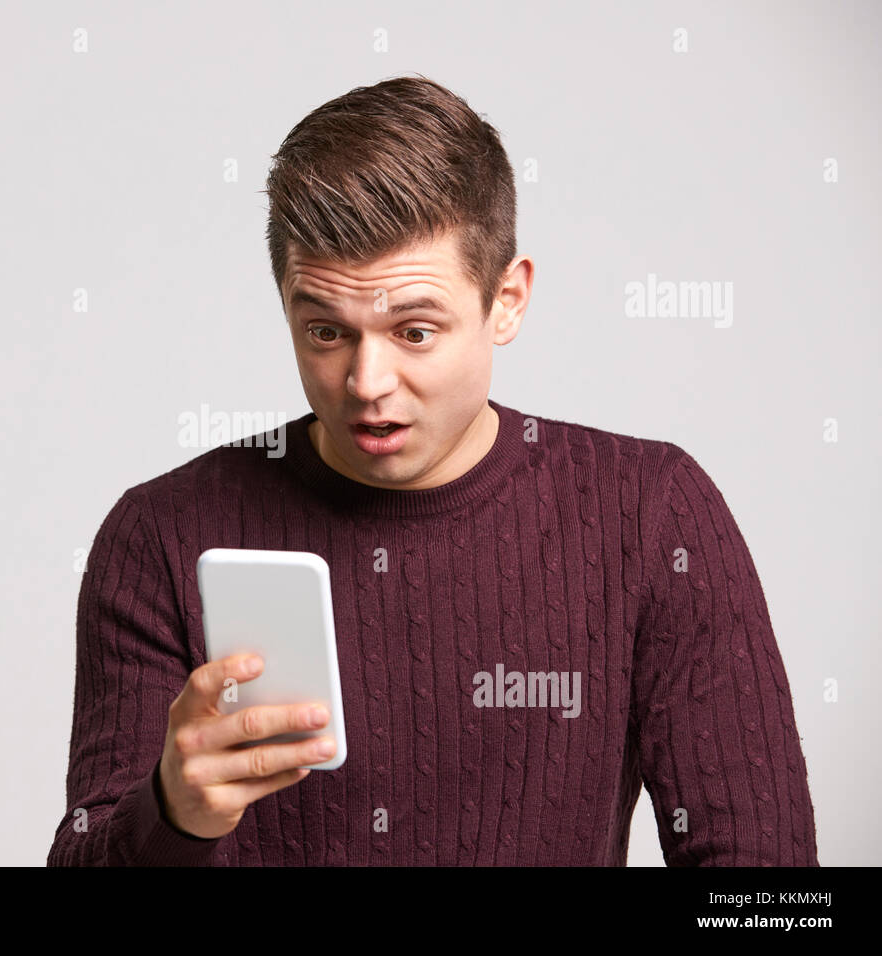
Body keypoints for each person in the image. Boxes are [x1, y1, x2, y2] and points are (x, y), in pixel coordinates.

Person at [46, 74, 818, 866]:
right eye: (324, 332)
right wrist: (172, 816)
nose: (366, 382)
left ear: (507, 299)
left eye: (414, 332)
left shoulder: (651, 514)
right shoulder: (161, 536)